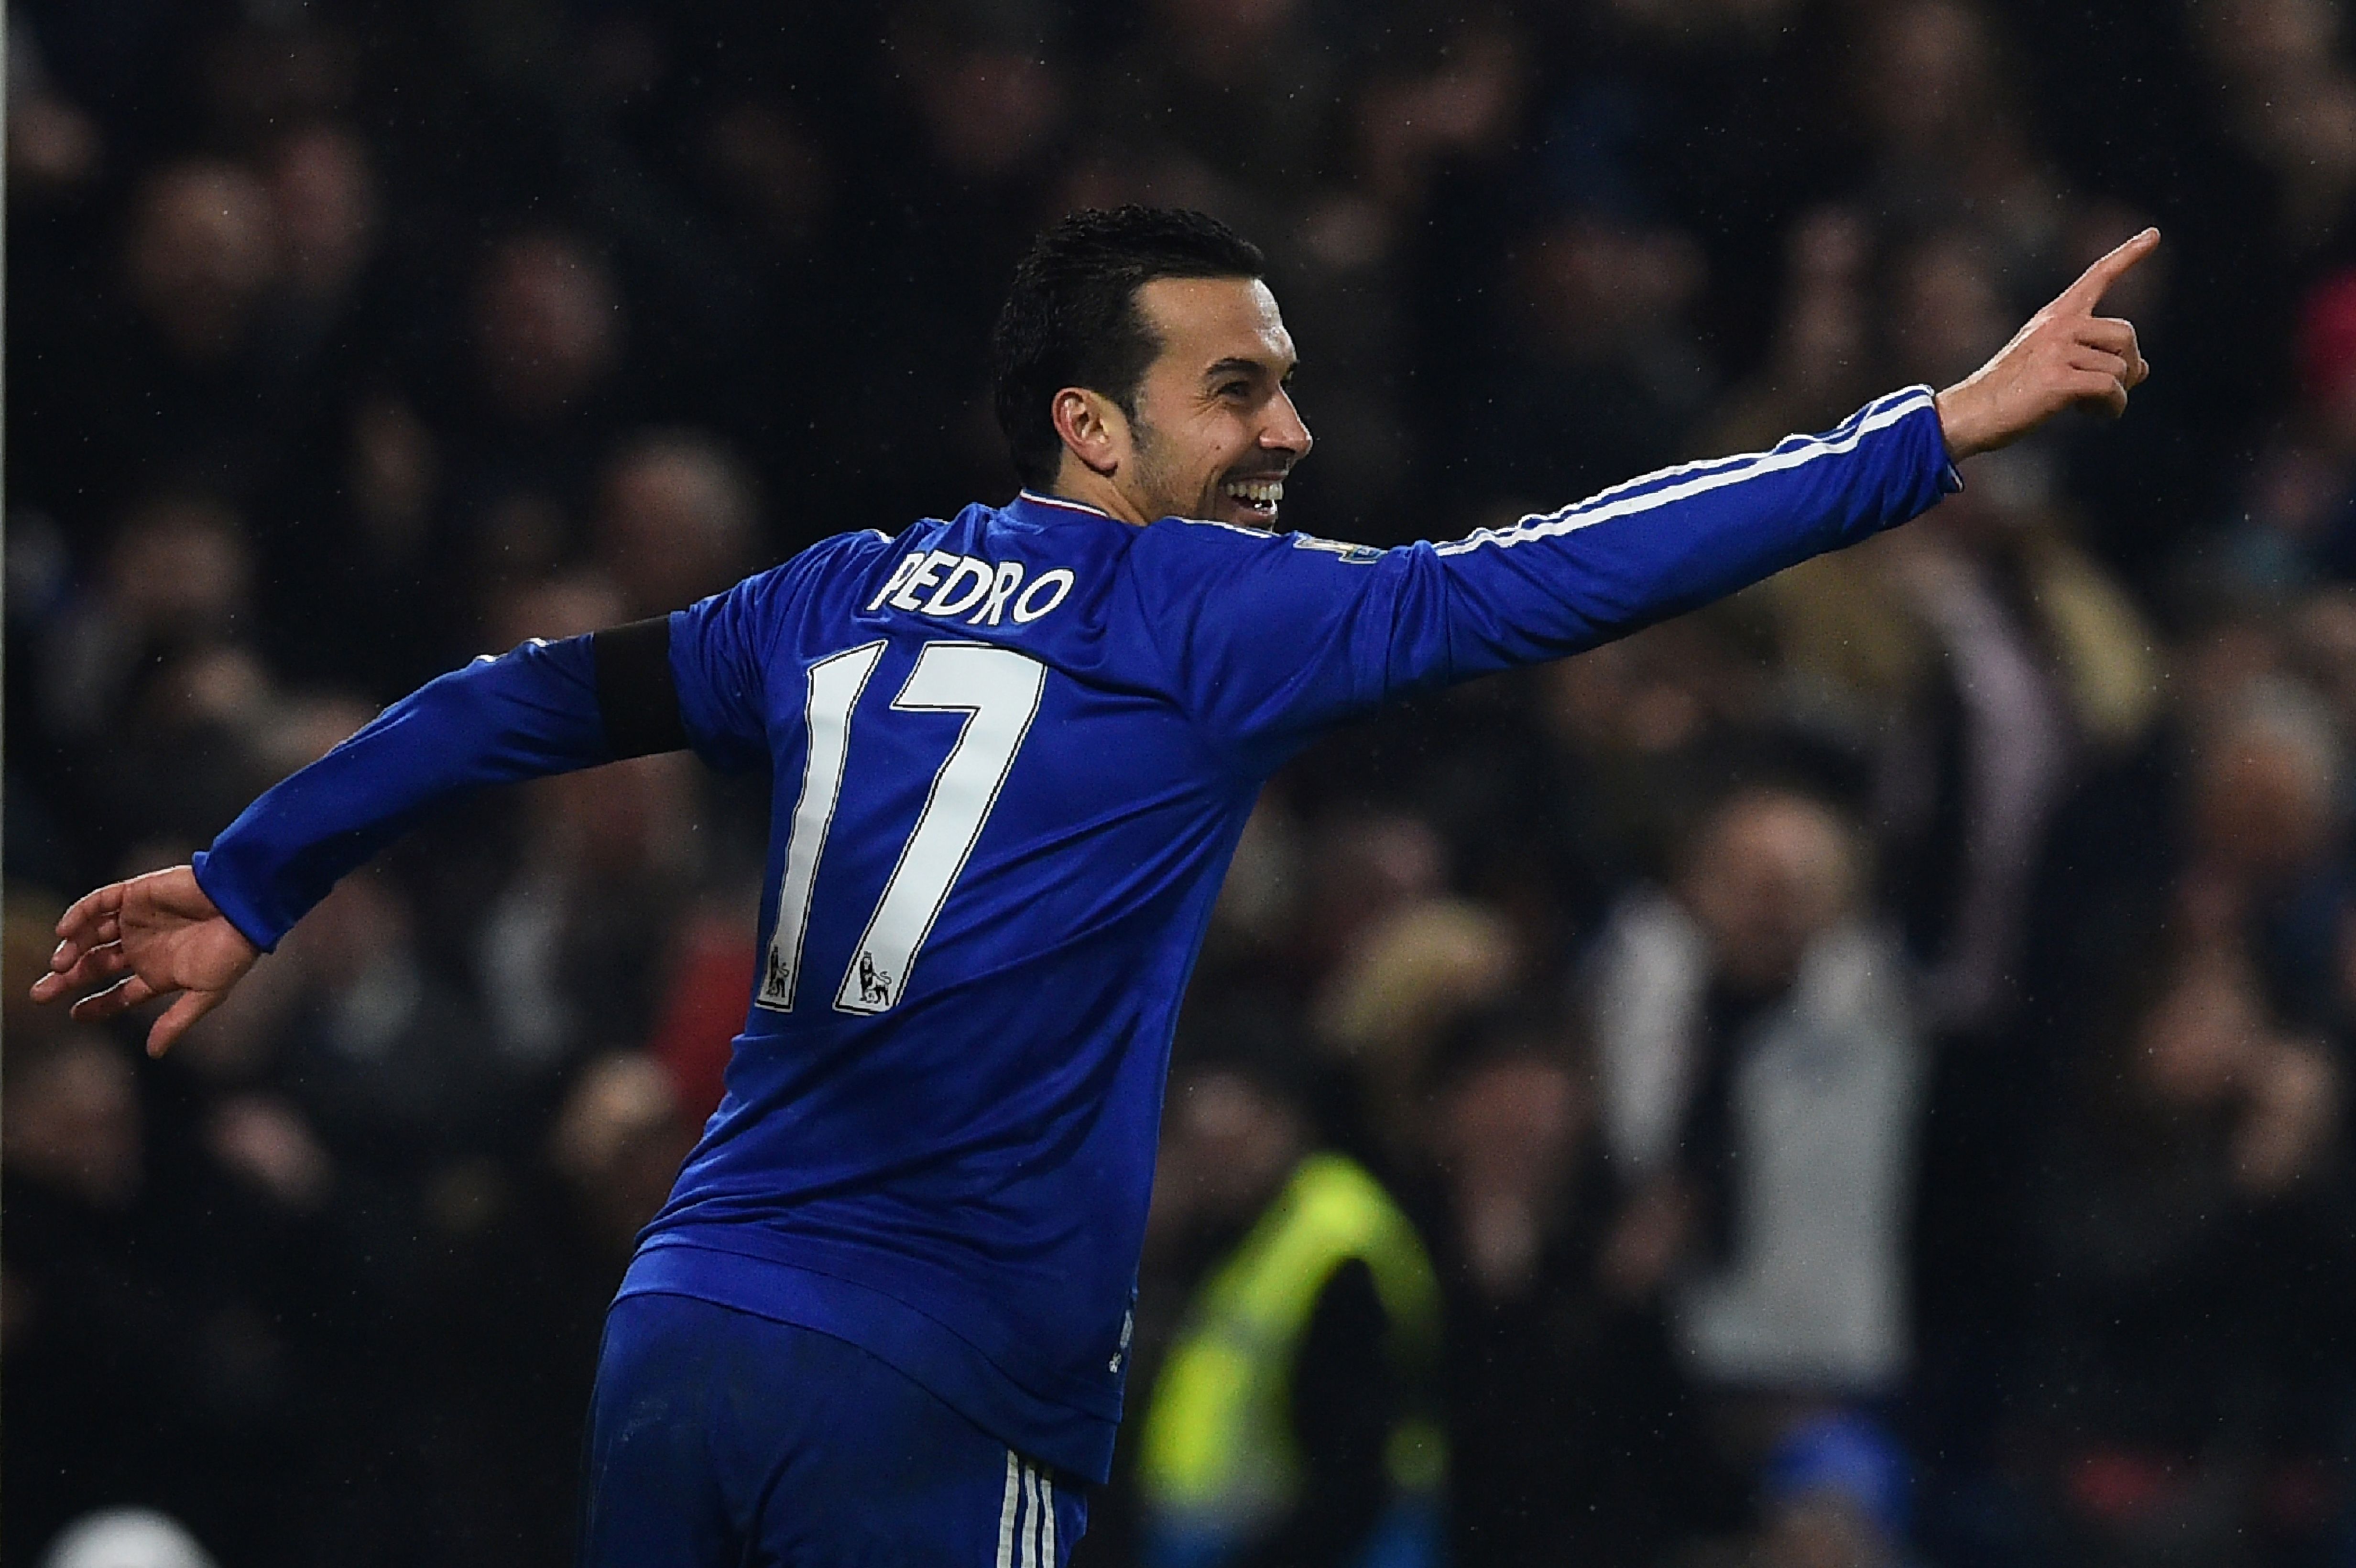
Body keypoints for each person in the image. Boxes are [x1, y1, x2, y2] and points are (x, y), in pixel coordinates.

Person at [33, 206, 2156, 1567]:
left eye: (1291, 379)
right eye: (1234, 386)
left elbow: (514, 699)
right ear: (1088, 426)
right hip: (937, 1380)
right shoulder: (1214, 617)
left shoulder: (833, 594)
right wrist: (1930, 427)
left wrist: (249, 875)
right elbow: (1567, 570)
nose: (1288, 432)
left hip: (684, 1329)